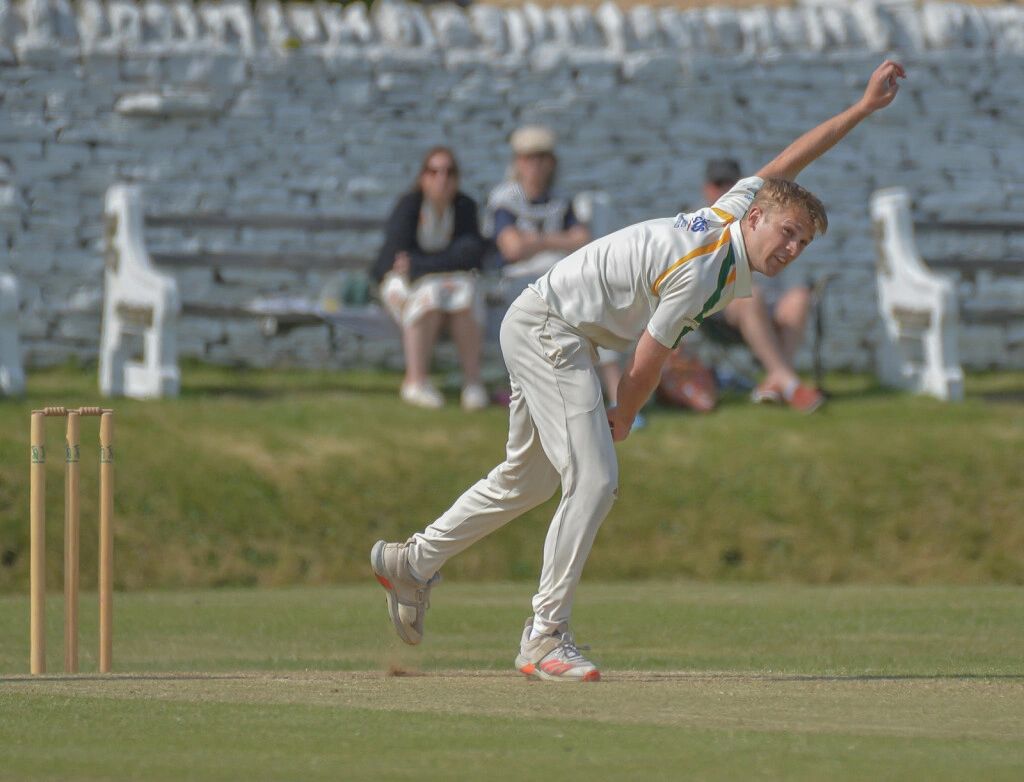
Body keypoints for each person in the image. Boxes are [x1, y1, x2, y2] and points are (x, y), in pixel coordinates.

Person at [371, 61, 906, 681]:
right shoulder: (707, 262)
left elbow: (791, 162)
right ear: (756, 218)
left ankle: (411, 562)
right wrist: (623, 413)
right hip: (554, 329)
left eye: (802, 244)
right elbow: (651, 354)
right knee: (594, 479)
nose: (789, 250)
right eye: (786, 234)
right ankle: (545, 636)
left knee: (528, 481)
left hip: (543, 322)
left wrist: (862, 110)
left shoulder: (735, 212)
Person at [703, 158, 825, 412]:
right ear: (708, 189)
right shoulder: (704, 224)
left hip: (768, 305)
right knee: (751, 296)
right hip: (723, 309)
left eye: (731, 184)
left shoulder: (765, 216)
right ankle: (790, 383)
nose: (725, 190)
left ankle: (775, 381)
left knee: (800, 296)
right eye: (718, 184)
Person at [373, 147, 489, 410]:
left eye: (449, 172)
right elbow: (394, 258)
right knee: (431, 297)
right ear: (423, 176)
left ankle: (472, 382)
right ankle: (415, 380)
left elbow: (471, 253)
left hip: (444, 280)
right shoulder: (409, 206)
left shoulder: (465, 207)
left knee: (465, 293)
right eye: (434, 171)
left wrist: (421, 264)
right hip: (404, 284)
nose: (442, 178)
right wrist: (435, 264)